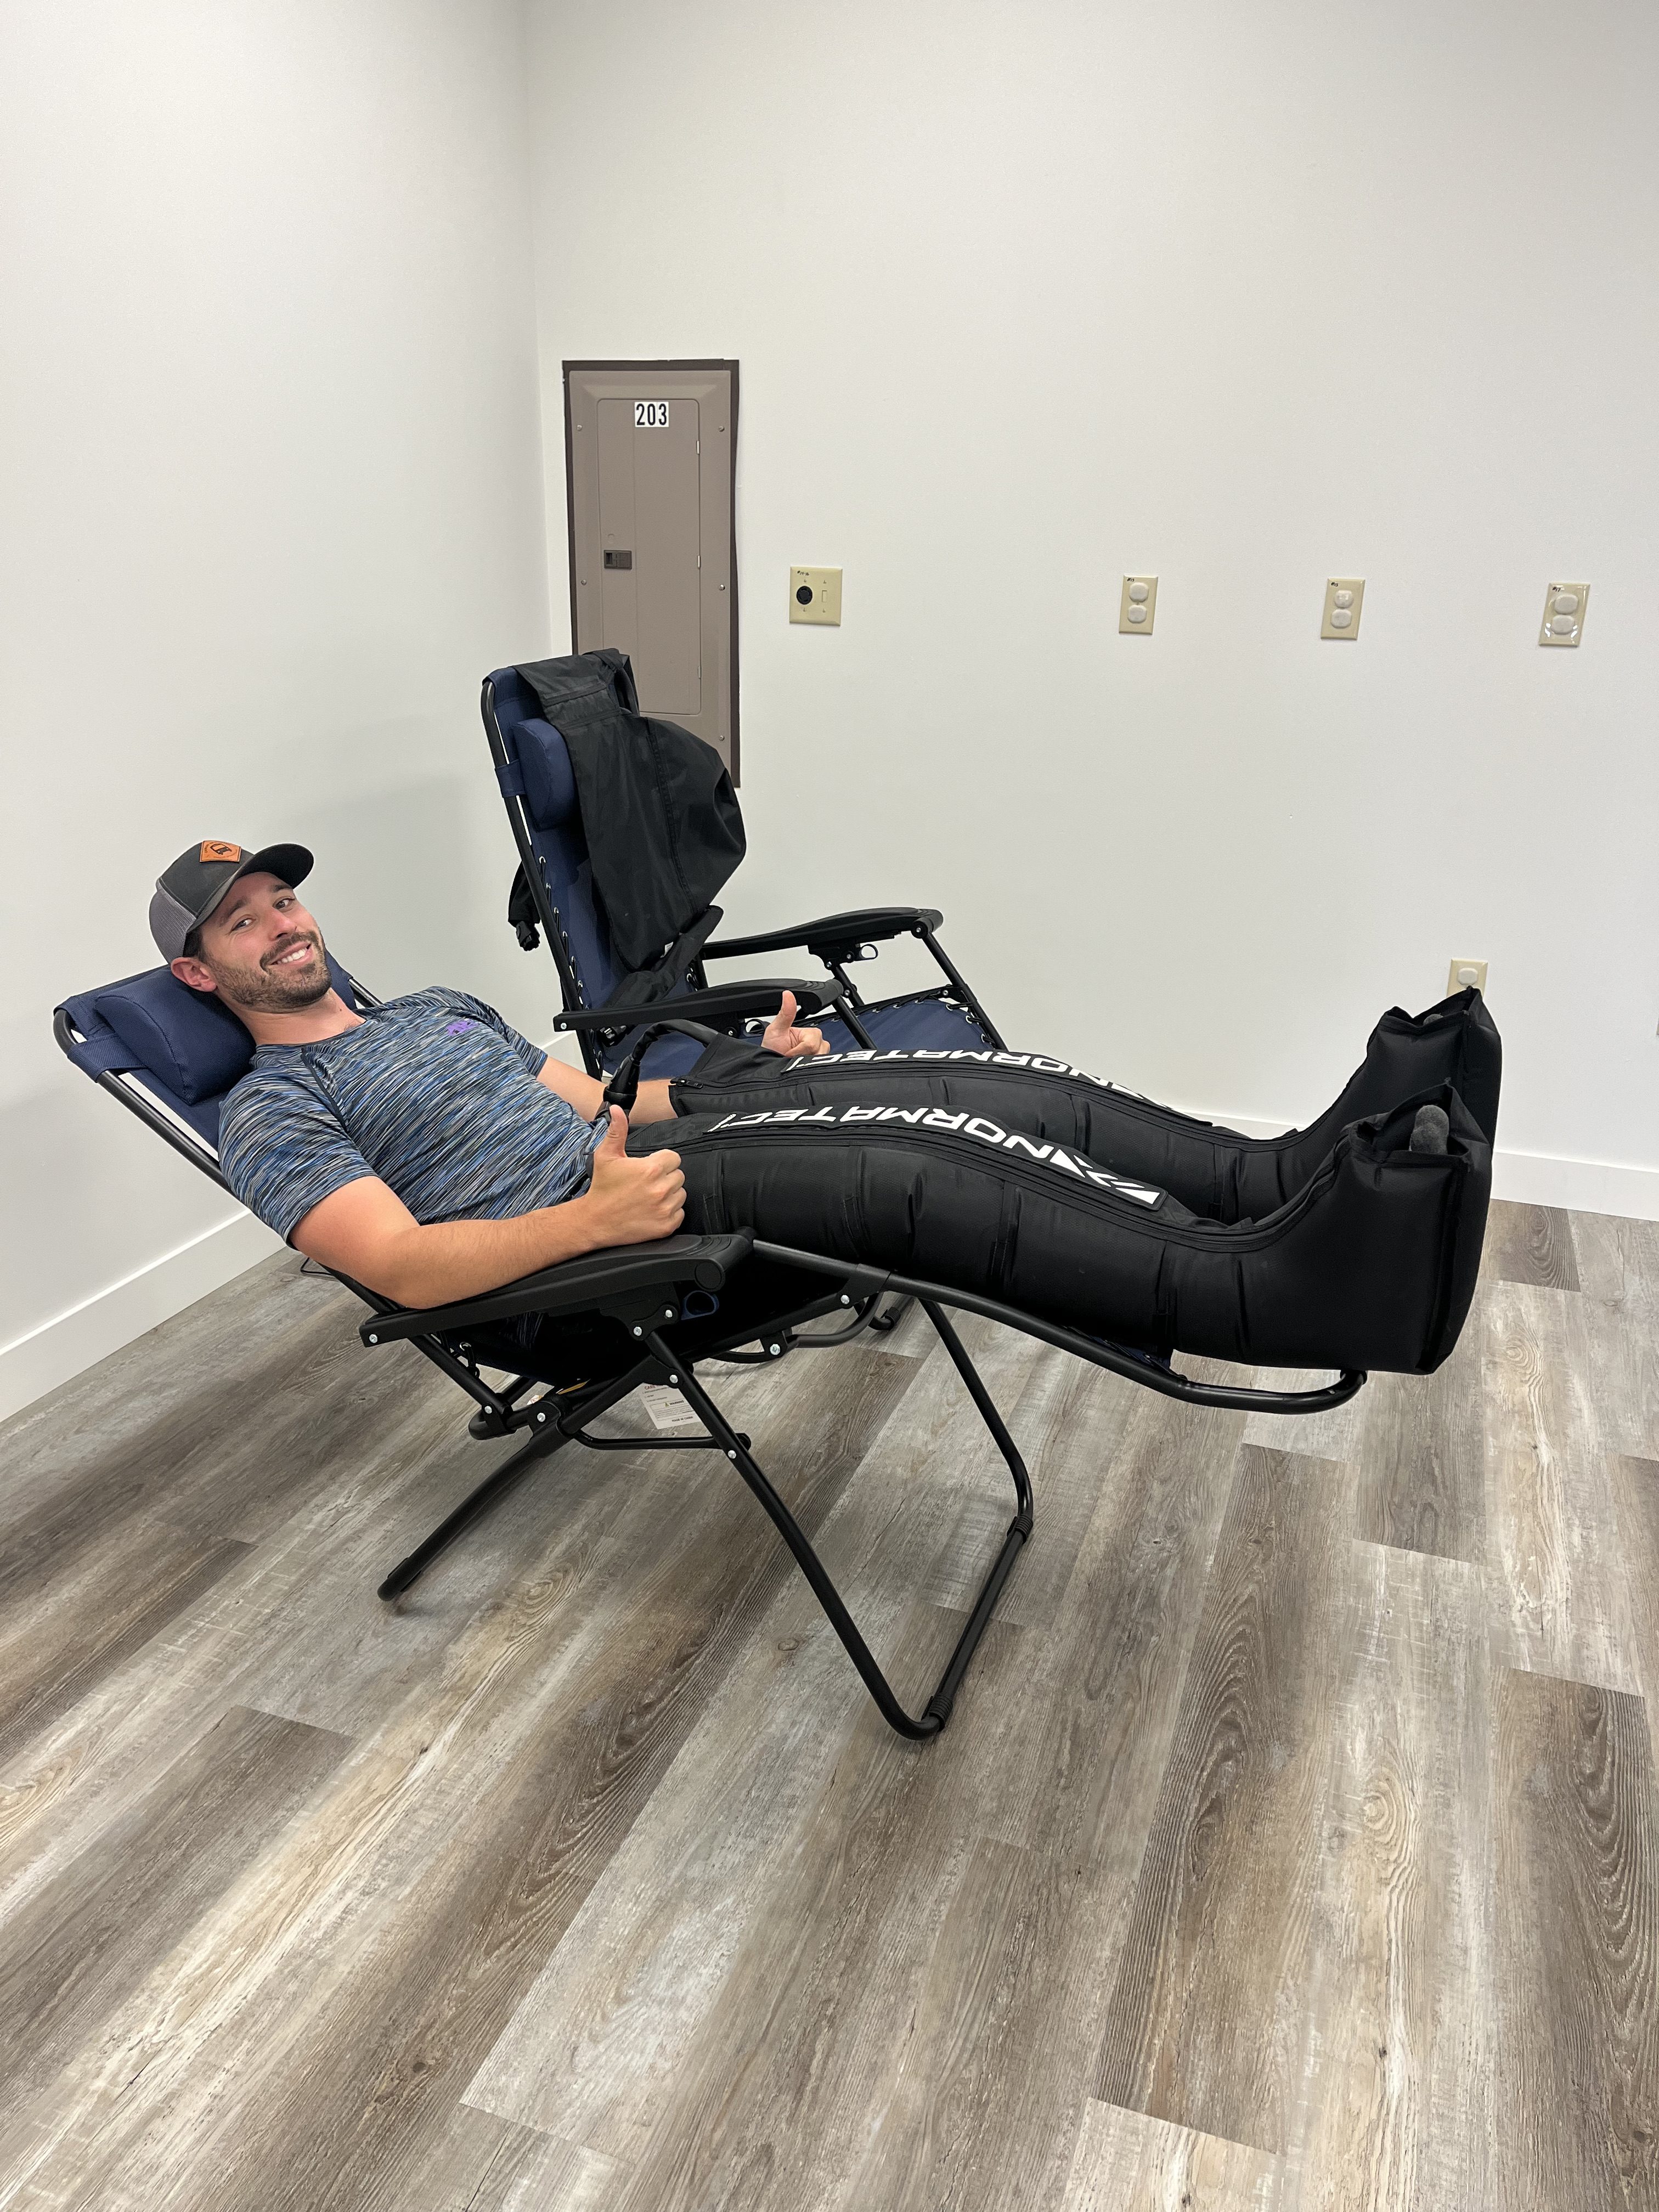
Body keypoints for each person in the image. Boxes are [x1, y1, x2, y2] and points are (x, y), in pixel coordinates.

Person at [151, 838, 1496, 1374]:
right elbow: (399, 1268)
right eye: (242, 924)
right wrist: (591, 1217)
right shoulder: (273, 1109)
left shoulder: (429, 1007)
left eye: (282, 900)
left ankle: (1273, 1176)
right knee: (918, 1172)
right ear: (196, 972)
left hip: (636, 1159)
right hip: (588, 1256)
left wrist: (757, 1077)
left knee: (975, 1082)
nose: (280, 926)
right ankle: (1286, 1290)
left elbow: (589, 1089)